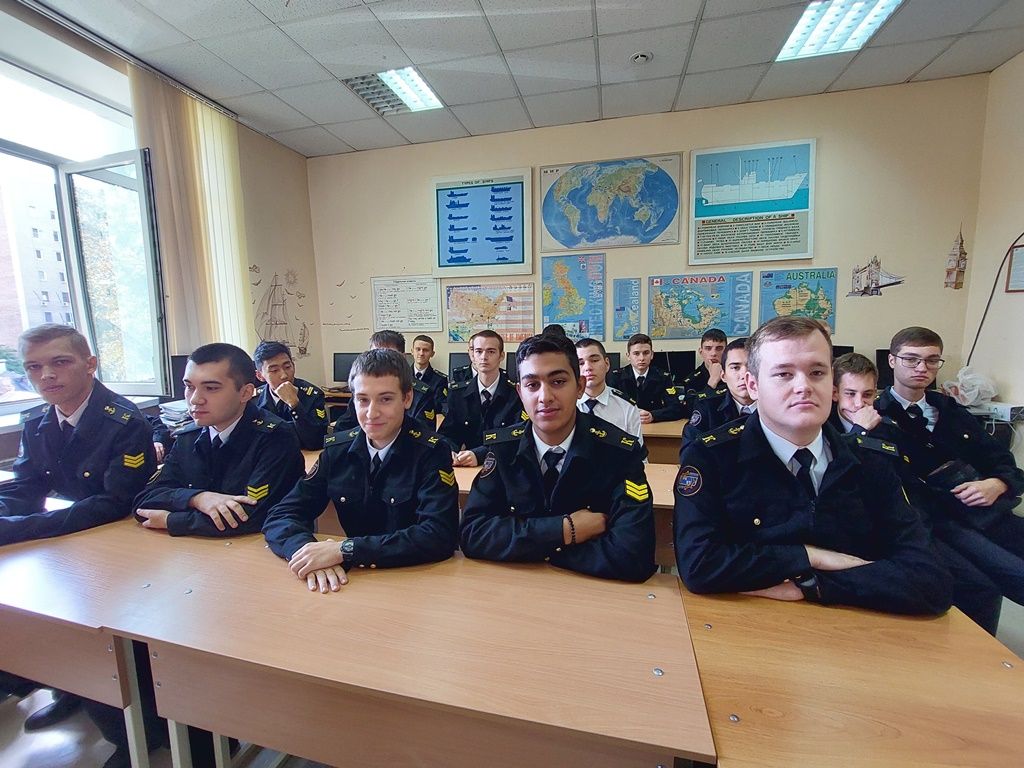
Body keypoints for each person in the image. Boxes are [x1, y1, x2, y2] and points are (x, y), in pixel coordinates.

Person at [674, 316, 952, 615]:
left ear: (832, 383)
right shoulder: (712, 457)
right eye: (784, 374)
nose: (804, 386)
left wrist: (812, 585)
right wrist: (809, 557)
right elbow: (700, 566)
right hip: (749, 624)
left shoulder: (871, 461)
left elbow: (931, 582)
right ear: (753, 385)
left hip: (855, 628)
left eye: (817, 372)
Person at [0, 324, 156, 750]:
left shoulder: (124, 421)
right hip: (61, 542)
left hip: (113, 546)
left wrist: (19, 529)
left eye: (59, 362)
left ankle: (129, 736)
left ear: (90, 364)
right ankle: (69, 690)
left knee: (104, 641)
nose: (46, 375)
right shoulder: (37, 420)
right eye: (34, 367)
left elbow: (114, 502)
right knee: (57, 626)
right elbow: (25, 485)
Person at [829, 350, 1003, 633]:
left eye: (868, 394)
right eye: (850, 394)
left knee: (983, 588)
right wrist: (859, 432)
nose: (859, 403)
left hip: (913, 522)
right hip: (864, 531)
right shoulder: (825, 430)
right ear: (835, 393)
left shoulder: (889, 429)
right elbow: (836, 475)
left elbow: (913, 480)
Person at [460, 333, 656, 582]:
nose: (545, 397)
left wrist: (535, 547)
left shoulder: (618, 453)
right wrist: (565, 531)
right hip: (516, 589)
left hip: (592, 593)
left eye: (558, 382)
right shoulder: (503, 449)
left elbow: (634, 555)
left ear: (580, 386)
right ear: (520, 392)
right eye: (532, 385)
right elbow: (473, 533)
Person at [263, 349, 459, 592]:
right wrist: (306, 552)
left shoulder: (431, 452)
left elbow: (438, 535)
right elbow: (282, 515)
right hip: (353, 582)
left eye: (385, 399)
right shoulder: (338, 451)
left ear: (407, 398)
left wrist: (345, 550)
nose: (371, 413)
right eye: (363, 400)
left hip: (414, 580)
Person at [874, 326, 1024, 615]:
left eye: (932, 360)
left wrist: (997, 483)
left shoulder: (951, 411)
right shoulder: (877, 418)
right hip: (942, 522)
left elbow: (1002, 461)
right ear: (892, 361)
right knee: (1002, 580)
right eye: (911, 359)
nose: (922, 368)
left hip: (986, 510)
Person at [133, 343, 304, 537]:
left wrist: (171, 520)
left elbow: (253, 515)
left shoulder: (275, 437)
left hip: (253, 545)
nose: (195, 399)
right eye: (189, 387)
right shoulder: (188, 437)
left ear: (245, 393)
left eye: (211, 388)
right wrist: (197, 498)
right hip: (195, 547)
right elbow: (144, 502)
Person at [439, 330, 525, 466]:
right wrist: (450, 451)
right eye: (479, 351)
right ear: (472, 355)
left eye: (491, 351)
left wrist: (480, 454)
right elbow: (447, 434)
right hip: (466, 466)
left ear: (501, 356)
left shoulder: (516, 394)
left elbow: (518, 437)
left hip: (504, 465)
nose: (484, 357)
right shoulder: (458, 393)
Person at [334, 330, 439, 429]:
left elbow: (422, 433)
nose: (380, 363)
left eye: (388, 356)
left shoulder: (421, 393)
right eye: (375, 355)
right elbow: (343, 426)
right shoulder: (362, 390)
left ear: (402, 357)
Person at [253, 340, 329, 450]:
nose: (284, 375)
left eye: (287, 367)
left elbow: (317, 441)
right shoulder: (252, 400)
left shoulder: (312, 395)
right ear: (260, 376)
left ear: (293, 366)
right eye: (274, 370)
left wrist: (294, 405)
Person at [681, 338, 754, 452]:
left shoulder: (778, 406)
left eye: (751, 367)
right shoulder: (708, 405)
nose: (744, 375)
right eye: (735, 368)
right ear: (723, 376)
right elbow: (690, 453)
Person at [574, 337, 643, 443]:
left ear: (607, 364)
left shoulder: (627, 407)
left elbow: (638, 451)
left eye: (594, 360)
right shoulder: (565, 406)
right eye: (580, 363)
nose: (588, 367)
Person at [607, 333, 682, 423]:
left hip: (654, 426)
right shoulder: (616, 377)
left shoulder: (663, 377)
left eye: (646, 353)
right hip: (625, 425)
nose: (641, 358)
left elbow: (676, 408)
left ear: (652, 355)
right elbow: (609, 407)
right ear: (628, 356)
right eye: (636, 354)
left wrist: (653, 416)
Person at [411, 334, 449, 412]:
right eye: (418, 349)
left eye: (425, 350)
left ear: (432, 353)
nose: (421, 353)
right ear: (412, 351)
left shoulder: (440, 380)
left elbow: (441, 406)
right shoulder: (402, 376)